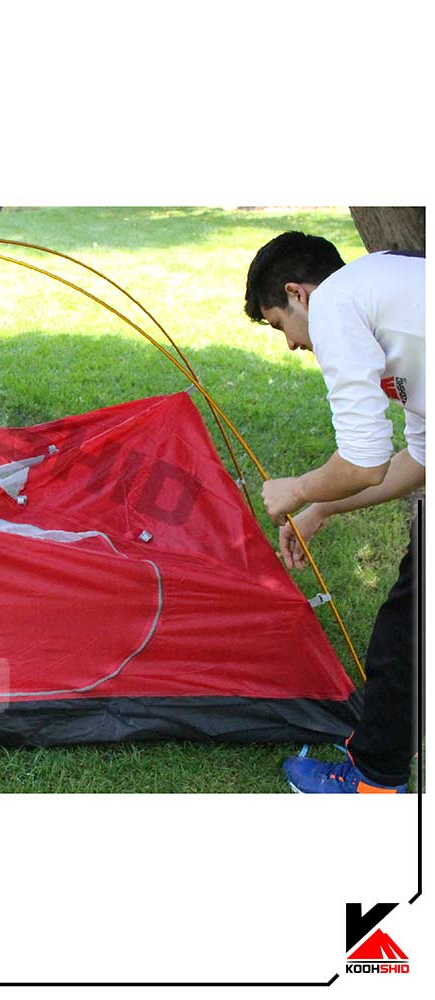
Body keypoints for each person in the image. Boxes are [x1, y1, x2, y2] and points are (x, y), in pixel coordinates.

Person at [244, 231, 424, 793]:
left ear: (297, 294)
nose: (290, 345)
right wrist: (323, 507)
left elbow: (365, 460)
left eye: (280, 325)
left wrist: (296, 490)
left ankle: (372, 784)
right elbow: (421, 459)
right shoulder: (389, 287)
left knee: (405, 635)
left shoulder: (335, 302)